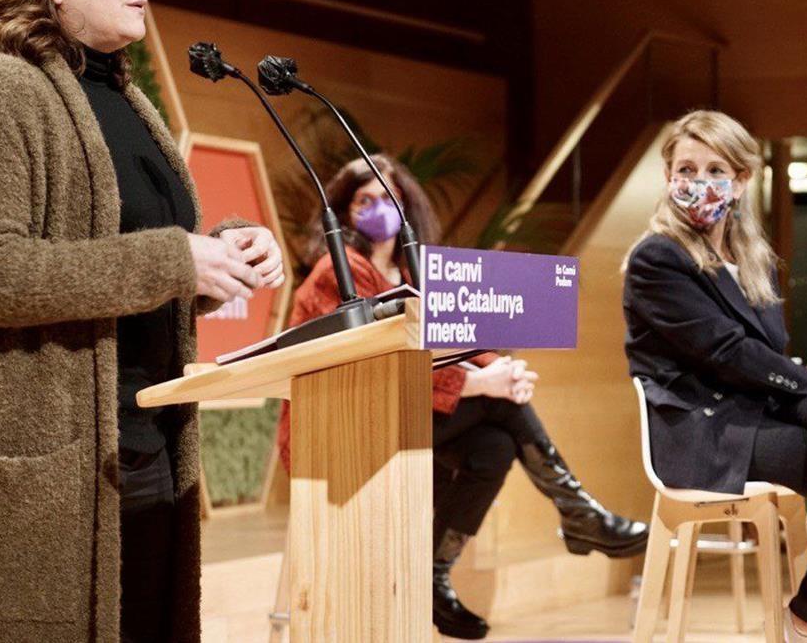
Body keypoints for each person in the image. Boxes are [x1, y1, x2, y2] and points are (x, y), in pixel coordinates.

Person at [0, 0, 284, 643]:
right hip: (33, 465)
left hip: (142, 453)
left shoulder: (126, 101)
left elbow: (129, 254)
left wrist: (224, 253)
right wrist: (177, 261)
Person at [277, 154, 647, 640]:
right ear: (345, 210)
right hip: (339, 428)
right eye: (363, 200)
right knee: (496, 406)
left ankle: (434, 571)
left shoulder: (413, 269)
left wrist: (504, 373)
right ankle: (577, 512)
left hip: (397, 415)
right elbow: (381, 364)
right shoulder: (339, 270)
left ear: (405, 206)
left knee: (493, 446)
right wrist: (480, 385)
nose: (376, 208)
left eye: (386, 198)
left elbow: (454, 340)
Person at [623, 110, 807, 643]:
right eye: (686, 168)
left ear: (741, 180)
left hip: (754, 414)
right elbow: (727, 352)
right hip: (703, 429)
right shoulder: (656, 258)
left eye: (715, 168)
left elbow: (768, 354)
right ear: (669, 175)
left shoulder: (749, 258)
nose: (699, 182)